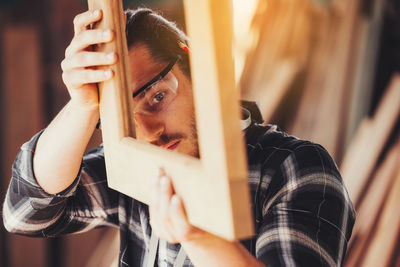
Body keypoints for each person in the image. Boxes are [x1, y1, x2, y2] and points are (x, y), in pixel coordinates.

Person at [3, 8, 355, 267]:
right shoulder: (137, 161)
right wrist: (83, 107)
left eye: (157, 97)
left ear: (195, 66)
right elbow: (24, 213)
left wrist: (197, 237)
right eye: (124, 118)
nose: (150, 132)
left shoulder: (297, 170)